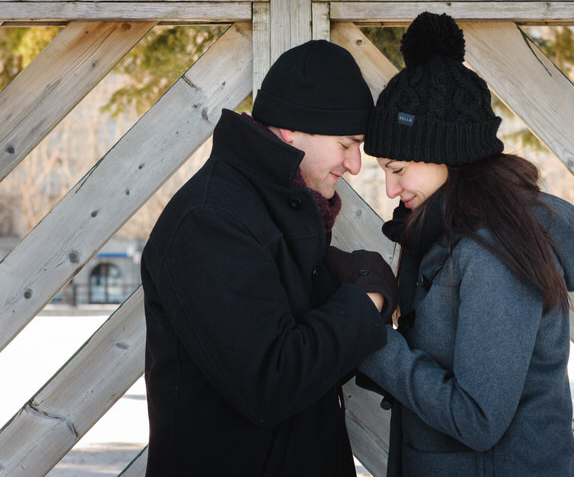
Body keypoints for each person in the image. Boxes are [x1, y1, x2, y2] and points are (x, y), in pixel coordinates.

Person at [141, 39, 399, 477]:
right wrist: (365, 302)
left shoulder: (277, 211)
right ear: (292, 130)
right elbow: (271, 380)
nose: (355, 165)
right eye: (346, 144)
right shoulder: (211, 222)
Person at [358, 12, 574, 477]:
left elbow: (477, 418)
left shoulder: (494, 253)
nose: (388, 189)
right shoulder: (444, 233)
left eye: (397, 169)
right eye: (383, 168)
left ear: (448, 155)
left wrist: (366, 339)